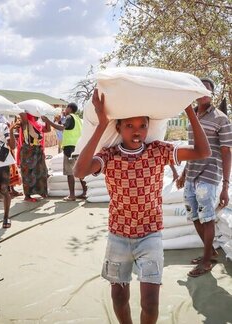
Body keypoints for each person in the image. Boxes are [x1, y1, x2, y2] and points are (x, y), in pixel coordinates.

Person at [73, 88, 211, 324]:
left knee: (150, 302)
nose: (137, 132)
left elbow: (202, 151)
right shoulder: (110, 155)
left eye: (142, 126)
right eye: (129, 126)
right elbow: (79, 171)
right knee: (118, 296)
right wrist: (101, 124)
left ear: (149, 127)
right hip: (118, 235)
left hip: (150, 236)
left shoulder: (158, 151)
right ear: (118, 128)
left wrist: (189, 109)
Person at [176, 78, 232, 277]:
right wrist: (183, 173)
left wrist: (225, 185)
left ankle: (207, 261)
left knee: (207, 218)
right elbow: (193, 148)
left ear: (212, 94)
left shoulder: (221, 118)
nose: (204, 92)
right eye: (200, 89)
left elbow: (226, 152)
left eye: (208, 89)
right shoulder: (192, 117)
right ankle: (210, 252)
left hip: (210, 174)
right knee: (194, 215)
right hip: (192, 173)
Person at [42, 103, 86, 201]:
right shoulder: (78, 119)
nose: (65, 110)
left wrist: (48, 121)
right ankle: (85, 192)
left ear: (69, 108)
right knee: (80, 170)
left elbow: (62, 128)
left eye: (66, 108)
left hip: (69, 149)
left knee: (69, 172)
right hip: (78, 147)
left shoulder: (69, 117)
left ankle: (71, 195)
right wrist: (59, 120)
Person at [16, 113, 50, 202]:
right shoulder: (26, 124)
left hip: (37, 151)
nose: (36, 116)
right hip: (28, 152)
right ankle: (27, 196)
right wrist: (24, 111)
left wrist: (47, 120)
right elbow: (23, 115)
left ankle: (42, 191)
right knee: (27, 174)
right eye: (34, 114)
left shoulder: (38, 125)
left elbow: (47, 129)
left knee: (42, 172)